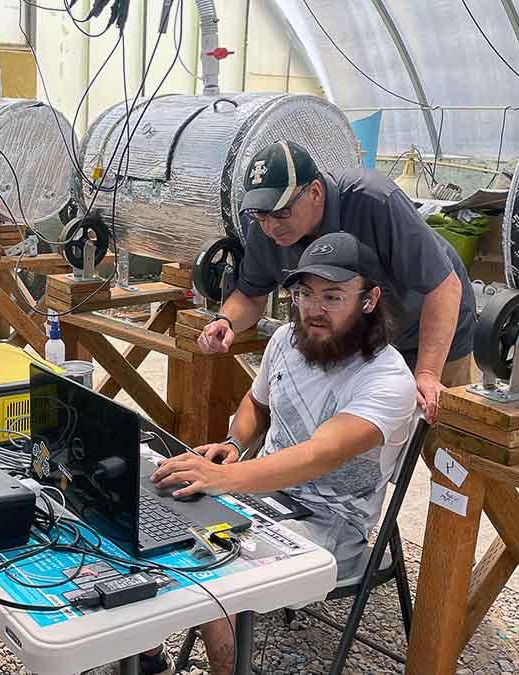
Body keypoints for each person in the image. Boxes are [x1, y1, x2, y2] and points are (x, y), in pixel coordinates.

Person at [150, 232, 418, 675]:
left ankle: (226, 670)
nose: (313, 309)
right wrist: (235, 445)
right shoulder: (288, 343)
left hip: (332, 524)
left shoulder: (387, 379)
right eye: (305, 293)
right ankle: (144, 657)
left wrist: (220, 479)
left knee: (216, 563)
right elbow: (257, 403)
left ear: (369, 301)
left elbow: (320, 454)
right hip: (260, 495)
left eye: (332, 296)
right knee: (159, 509)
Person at [197, 141, 475, 423]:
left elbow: (444, 287)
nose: (271, 226)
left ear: (315, 192)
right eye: (261, 214)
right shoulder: (265, 228)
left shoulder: (374, 200)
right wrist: (225, 321)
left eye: (281, 212)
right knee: (363, 438)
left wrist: (428, 373)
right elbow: (250, 295)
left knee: (441, 439)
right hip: (359, 342)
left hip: (428, 329)